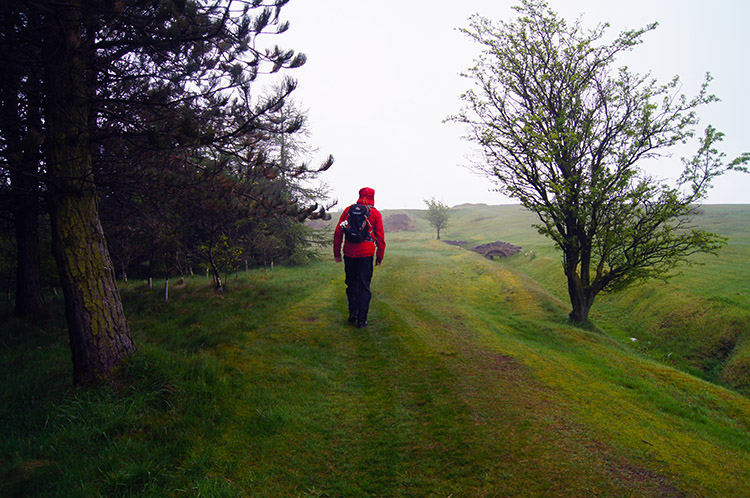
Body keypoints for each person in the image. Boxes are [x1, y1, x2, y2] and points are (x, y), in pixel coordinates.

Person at [333, 187, 386, 328]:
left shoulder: (348, 211)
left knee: (351, 283)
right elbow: (380, 237)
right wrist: (380, 256)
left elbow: (338, 231)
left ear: (359, 195)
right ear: (373, 197)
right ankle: (362, 320)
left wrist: (337, 252)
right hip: (366, 254)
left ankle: (353, 313)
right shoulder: (375, 213)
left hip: (349, 253)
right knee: (364, 286)